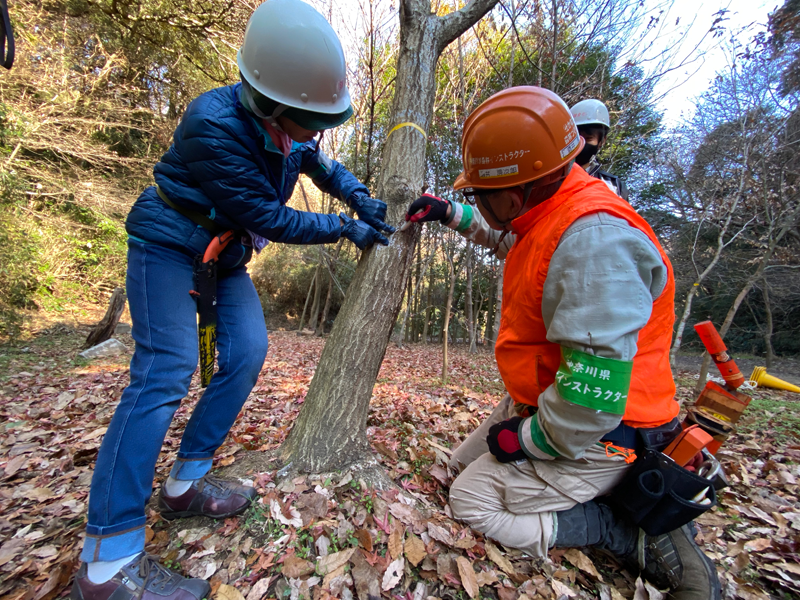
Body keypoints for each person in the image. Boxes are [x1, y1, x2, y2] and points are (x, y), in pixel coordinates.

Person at [70, 1, 394, 598]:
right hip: (168, 243)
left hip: (223, 256)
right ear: (273, 105)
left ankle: (185, 484)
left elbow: (323, 164)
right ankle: (105, 564)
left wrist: (360, 200)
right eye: (308, 121)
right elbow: (268, 215)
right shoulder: (212, 125)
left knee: (245, 353)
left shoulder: (292, 123)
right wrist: (345, 230)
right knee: (165, 370)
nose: (315, 132)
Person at [439, 87, 719, 599]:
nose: (477, 200)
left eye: (480, 194)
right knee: (457, 464)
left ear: (519, 189)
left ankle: (615, 528)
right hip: (549, 399)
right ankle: (607, 492)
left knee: (469, 499)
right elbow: (516, 237)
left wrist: (528, 441)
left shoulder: (594, 242)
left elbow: (593, 396)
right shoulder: (554, 203)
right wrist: (452, 215)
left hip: (606, 426)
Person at [404, 98, 627, 260]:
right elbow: (503, 233)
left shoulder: (598, 223)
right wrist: (448, 211)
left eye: (587, 138)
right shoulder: (543, 205)